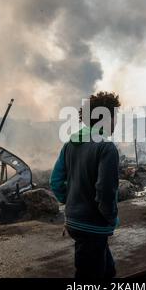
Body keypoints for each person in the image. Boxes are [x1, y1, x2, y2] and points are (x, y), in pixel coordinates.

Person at [50, 91, 121, 279]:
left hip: (74, 221)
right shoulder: (107, 147)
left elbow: (55, 181)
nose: (116, 122)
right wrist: (111, 217)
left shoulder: (71, 143)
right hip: (93, 225)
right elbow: (105, 191)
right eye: (115, 117)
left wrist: (73, 201)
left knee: (107, 271)